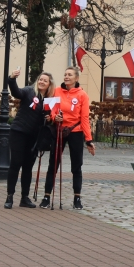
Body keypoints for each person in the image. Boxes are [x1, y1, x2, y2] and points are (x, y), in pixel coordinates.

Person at [40, 67, 95, 210]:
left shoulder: (82, 95)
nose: (66, 77)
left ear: (76, 78)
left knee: (76, 166)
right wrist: (54, 117)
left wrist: (88, 140)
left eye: (70, 75)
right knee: (54, 162)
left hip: (75, 131)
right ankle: (46, 196)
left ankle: (77, 197)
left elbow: (84, 119)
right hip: (59, 129)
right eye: (65, 74)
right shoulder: (57, 91)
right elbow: (51, 110)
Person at [4, 68, 54, 209]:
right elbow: (16, 93)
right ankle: (9, 196)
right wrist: (12, 79)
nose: (42, 82)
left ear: (49, 84)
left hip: (34, 137)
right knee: (16, 163)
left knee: (28, 167)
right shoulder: (29, 91)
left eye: (45, 80)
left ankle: (24, 197)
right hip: (19, 132)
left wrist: (50, 118)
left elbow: (50, 120)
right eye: (40, 79)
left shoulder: (49, 100)